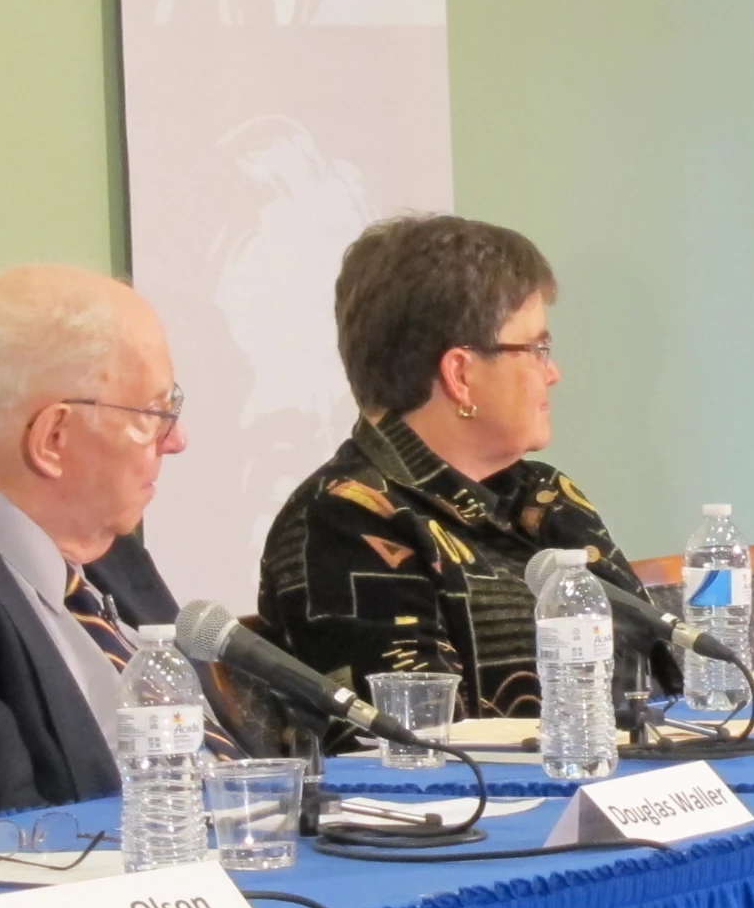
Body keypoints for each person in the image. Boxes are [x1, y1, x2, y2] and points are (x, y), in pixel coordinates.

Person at [257, 214, 670, 723]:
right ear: (461, 374)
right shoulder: (343, 521)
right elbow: (421, 744)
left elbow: (669, 677)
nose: (553, 372)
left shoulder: (547, 496)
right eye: (537, 349)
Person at [0, 266, 215, 832]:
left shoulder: (104, 543)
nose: (177, 440)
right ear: (53, 439)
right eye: (157, 414)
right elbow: (1, 832)